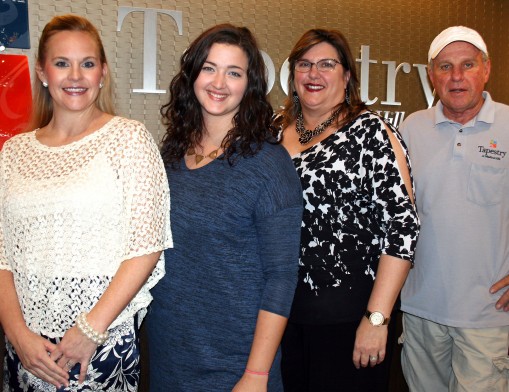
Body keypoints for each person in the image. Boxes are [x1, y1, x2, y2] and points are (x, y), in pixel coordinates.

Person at [0, 14, 172, 391]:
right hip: (26, 349)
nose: (75, 75)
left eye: (87, 63)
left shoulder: (129, 140)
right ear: (44, 73)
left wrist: (89, 330)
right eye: (62, 63)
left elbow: (146, 247)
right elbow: (3, 257)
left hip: (100, 343)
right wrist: (17, 335)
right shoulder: (12, 153)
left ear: (103, 73)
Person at [145, 24, 303, 391]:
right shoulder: (170, 153)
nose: (219, 82)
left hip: (236, 364)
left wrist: (257, 374)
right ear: (193, 74)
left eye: (234, 72)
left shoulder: (268, 164)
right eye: (209, 68)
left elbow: (281, 279)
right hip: (169, 353)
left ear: (249, 85)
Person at [273, 28, 420, 391]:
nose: (313, 74)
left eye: (327, 64)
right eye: (304, 64)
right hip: (281, 315)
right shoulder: (274, 131)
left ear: (347, 74)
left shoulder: (371, 132)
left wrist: (377, 318)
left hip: (349, 320)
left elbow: (403, 226)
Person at [399, 25, 509, 391]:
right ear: (431, 75)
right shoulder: (412, 128)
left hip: (488, 315)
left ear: (487, 69)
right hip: (420, 310)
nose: (457, 77)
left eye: (467, 65)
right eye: (445, 67)